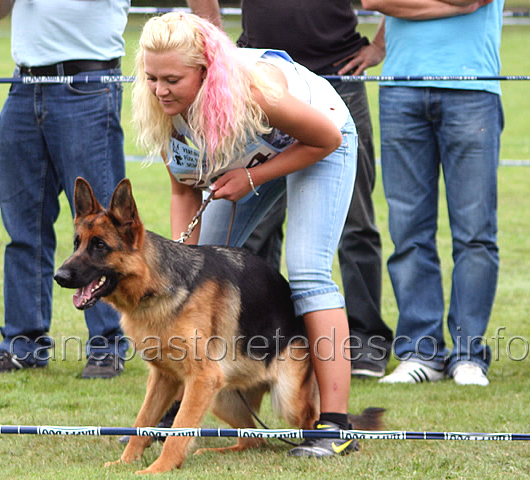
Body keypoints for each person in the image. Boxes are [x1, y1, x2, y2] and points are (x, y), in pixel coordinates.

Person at [133, 12, 358, 458]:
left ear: (204, 69)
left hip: (319, 140)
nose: (160, 90)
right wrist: (183, 259)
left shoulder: (254, 90)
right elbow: (183, 186)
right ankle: (177, 412)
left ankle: (335, 427)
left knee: (309, 271)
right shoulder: (163, 106)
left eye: (172, 79)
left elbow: (324, 139)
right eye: (152, 77)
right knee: (203, 269)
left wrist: (253, 179)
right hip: (249, 157)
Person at [188, 0, 393, 378]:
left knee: (350, 226)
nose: (160, 88)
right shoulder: (186, 95)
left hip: (335, 78)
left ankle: (364, 341)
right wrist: (214, 44)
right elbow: (182, 190)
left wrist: (380, 44)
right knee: (238, 244)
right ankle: (257, 341)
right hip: (253, 77)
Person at [0, 0, 129, 379]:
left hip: (87, 86)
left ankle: (108, 345)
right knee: (23, 228)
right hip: (25, 86)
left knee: (103, 229)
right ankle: (22, 343)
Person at [361, 0, 503, 386]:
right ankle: (420, 353)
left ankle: (468, 355)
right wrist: (458, 7)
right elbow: (375, 3)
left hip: (472, 89)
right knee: (408, 231)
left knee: (475, 233)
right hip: (400, 92)